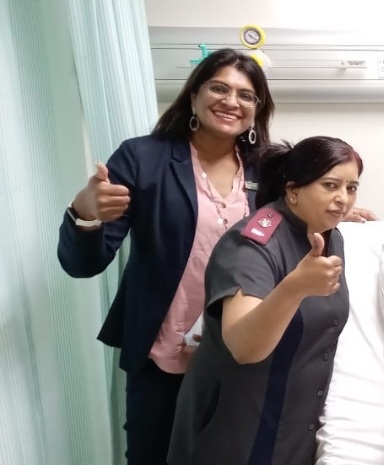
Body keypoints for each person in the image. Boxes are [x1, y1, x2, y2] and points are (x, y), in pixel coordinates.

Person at [56, 48, 274, 465]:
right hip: (163, 354)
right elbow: (84, 264)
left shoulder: (267, 168)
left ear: (257, 109)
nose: (232, 101)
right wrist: (86, 211)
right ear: (193, 95)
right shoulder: (143, 158)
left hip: (240, 353)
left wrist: (333, 211)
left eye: (246, 95)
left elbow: (295, 219)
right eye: (219, 88)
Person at [167, 136, 362, 465]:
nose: (342, 199)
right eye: (330, 185)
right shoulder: (252, 245)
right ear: (293, 190)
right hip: (235, 431)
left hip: (293, 429)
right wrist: (293, 288)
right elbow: (244, 347)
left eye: (351, 187)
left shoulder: (330, 237)